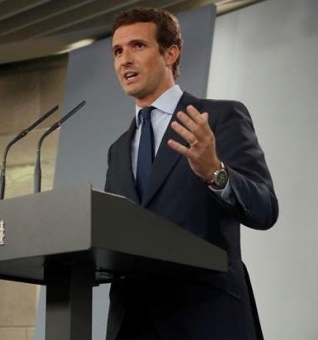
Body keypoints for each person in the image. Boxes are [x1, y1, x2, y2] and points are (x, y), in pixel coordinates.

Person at [104, 7, 278, 340]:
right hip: (133, 324)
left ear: (170, 53)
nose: (124, 59)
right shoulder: (118, 149)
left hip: (205, 318)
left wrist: (216, 172)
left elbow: (265, 209)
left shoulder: (219, 117)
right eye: (117, 51)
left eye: (137, 46)